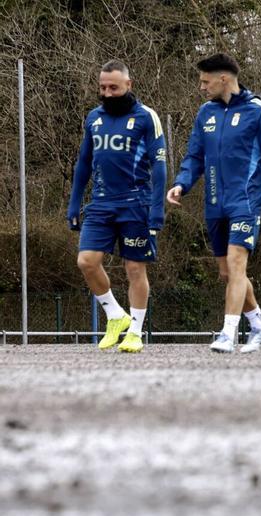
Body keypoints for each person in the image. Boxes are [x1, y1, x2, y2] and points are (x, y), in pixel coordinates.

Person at [168, 53, 261, 354]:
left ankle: (228, 333)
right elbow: (195, 156)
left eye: (205, 80)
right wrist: (181, 183)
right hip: (215, 205)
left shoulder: (258, 111)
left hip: (246, 203)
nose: (201, 87)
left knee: (238, 266)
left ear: (223, 78)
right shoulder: (205, 114)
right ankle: (260, 324)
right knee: (227, 274)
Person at [67, 59, 166, 353]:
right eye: (102, 87)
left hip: (136, 203)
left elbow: (159, 167)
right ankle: (115, 315)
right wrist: (74, 203)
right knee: (86, 261)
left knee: (135, 267)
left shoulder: (146, 117)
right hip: (100, 204)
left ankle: (135, 331)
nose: (107, 93)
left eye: (113, 87)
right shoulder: (93, 118)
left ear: (128, 85)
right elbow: (84, 163)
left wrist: (157, 210)